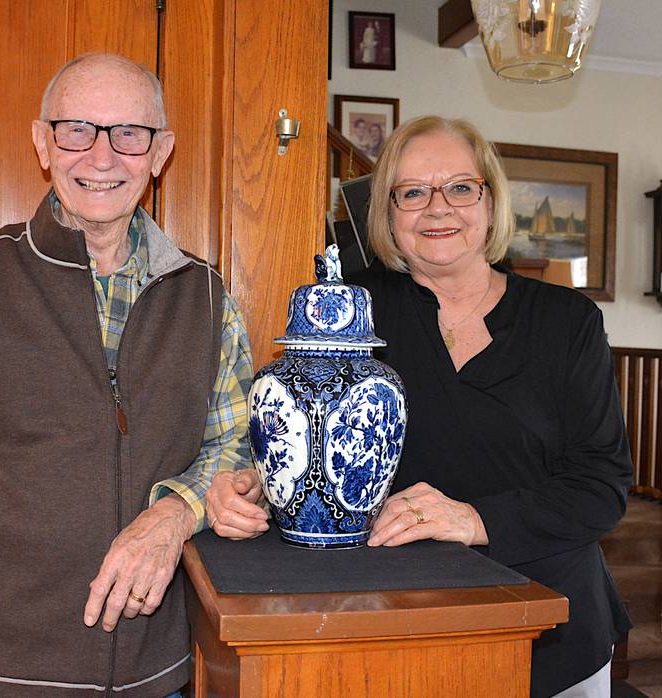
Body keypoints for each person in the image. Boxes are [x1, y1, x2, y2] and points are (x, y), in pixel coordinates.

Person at [0, 53, 252, 698]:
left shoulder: (205, 294)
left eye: (130, 134)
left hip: (154, 677)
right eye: (77, 129)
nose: (102, 157)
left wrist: (175, 512)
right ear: (43, 143)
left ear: (162, 153)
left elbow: (240, 446)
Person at [206, 116, 633, 698]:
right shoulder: (350, 311)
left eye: (460, 187)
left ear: (490, 201)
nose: (438, 208)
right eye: (412, 192)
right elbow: (293, 433)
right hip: (385, 620)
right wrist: (252, 481)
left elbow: (601, 487)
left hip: (550, 621)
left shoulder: (568, 322)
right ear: (387, 213)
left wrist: (474, 519)